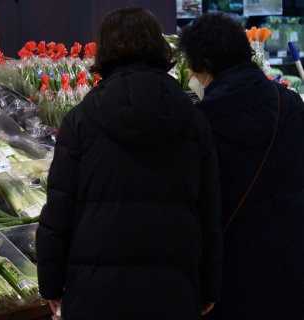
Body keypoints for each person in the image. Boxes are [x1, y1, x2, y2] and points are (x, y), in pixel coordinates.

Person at [36, 7, 222, 320]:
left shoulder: (81, 120)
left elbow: (58, 210)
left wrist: (50, 284)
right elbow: (209, 211)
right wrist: (210, 287)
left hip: (95, 293)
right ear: (159, 47)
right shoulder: (193, 119)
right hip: (173, 290)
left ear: (105, 50)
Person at [180, 13, 304, 319]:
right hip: (292, 266)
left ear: (204, 63)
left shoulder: (200, 125)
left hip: (232, 275)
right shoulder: (290, 105)